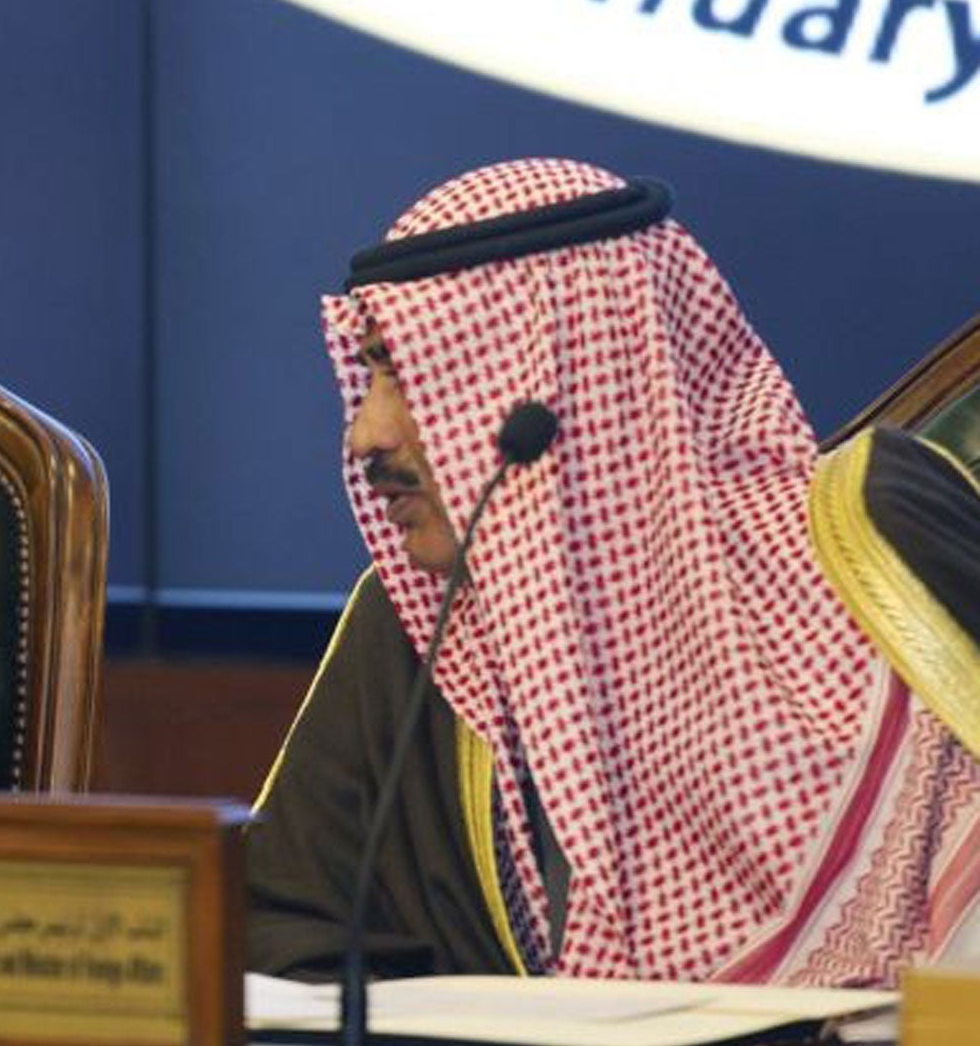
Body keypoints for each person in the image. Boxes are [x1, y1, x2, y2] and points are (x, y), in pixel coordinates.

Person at [246, 158, 980, 988]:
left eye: (410, 377)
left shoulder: (869, 533)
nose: (367, 435)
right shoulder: (417, 621)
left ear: (559, 374)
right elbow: (287, 938)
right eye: (370, 376)